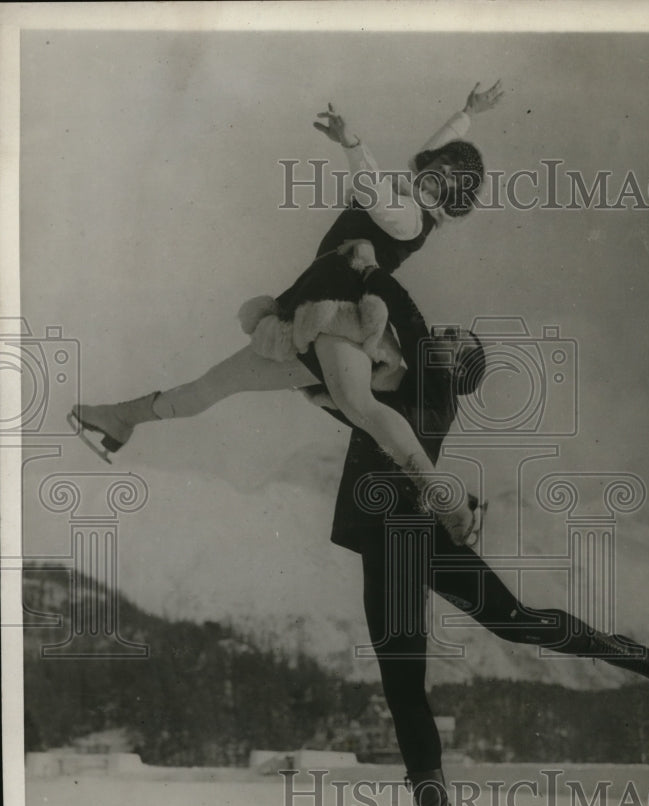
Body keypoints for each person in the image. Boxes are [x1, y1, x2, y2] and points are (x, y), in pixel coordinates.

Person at [310, 262, 649, 806]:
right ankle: (625, 651)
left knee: (406, 683)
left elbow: (402, 312)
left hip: (395, 536)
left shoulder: (427, 383)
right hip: (410, 530)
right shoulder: (417, 392)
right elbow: (355, 401)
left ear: (454, 364)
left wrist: (370, 267)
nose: (443, 333)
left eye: (453, 339)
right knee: (513, 623)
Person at [69, 82, 504, 545]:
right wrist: (466, 113)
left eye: (444, 180)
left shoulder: (408, 216)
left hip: (339, 315)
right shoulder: (414, 195)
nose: (433, 175)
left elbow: (374, 192)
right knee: (214, 385)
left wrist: (352, 143)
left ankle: (456, 509)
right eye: (436, 169)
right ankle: (121, 418)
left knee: (363, 409)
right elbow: (430, 152)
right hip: (306, 318)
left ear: (448, 199)